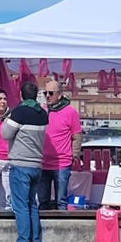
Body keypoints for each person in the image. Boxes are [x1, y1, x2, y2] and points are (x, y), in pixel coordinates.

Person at [0, 81, 49, 242]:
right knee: (31, 206)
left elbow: (5, 134)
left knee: (20, 206)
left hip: (20, 164)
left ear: (21, 95)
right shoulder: (43, 113)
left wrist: (6, 118)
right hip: (37, 165)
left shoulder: (19, 112)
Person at [38, 78, 83, 211]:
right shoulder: (42, 111)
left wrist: (74, 155)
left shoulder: (70, 112)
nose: (47, 96)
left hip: (62, 163)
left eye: (50, 93)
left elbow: (77, 135)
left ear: (59, 95)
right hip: (43, 162)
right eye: (45, 93)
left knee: (61, 201)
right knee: (42, 201)